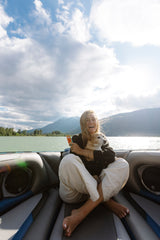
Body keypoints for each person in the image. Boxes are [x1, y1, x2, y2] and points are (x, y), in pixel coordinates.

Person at [59, 110, 129, 237]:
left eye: (93, 119)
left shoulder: (102, 139)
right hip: (76, 192)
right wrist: (93, 156)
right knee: (68, 160)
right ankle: (105, 201)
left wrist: (83, 152)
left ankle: (81, 213)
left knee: (122, 163)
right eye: (87, 120)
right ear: (83, 124)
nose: (90, 122)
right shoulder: (77, 139)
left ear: (97, 122)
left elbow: (111, 156)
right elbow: (77, 160)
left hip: (96, 186)